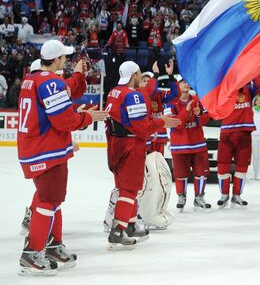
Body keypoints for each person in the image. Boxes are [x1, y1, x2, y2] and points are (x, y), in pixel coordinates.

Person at [17, 40, 108, 276]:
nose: (66, 61)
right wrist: (88, 118)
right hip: (46, 151)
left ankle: (54, 245)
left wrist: (77, 82)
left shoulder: (32, 79)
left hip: (37, 148)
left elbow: (57, 103)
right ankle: (32, 253)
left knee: (52, 199)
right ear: (56, 60)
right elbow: (64, 120)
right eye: (64, 58)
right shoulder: (50, 82)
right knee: (48, 201)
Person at [105, 61, 180, 249]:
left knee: (125, 187)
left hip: (116, 144)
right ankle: (118, 230)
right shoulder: (133, 95)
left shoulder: (113, 92)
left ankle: (129, 224)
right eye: (139, 74)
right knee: (129, 189)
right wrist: (161, 122)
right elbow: (141, 127)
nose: (140, 78)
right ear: (134, 75)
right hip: (131, 145)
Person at [217, 77, 260, 208]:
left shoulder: (249, 90)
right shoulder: (224, 89)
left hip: (244, 132)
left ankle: (237, 195)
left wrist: (253, 74)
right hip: (227, 132)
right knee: (222, 165)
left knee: (242, 166)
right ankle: (224, 195)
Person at [167, 77, 212, 212]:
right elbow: (175, 123)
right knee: (180, 174)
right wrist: (187, 110)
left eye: (187, 81)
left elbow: (205, 119)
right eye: (183, 82)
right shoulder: (170, 102)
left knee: (201, 173)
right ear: (177, 85)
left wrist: (198, 115)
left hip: (198, 143)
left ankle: (199, 198)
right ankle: (181, 197)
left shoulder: (198, 99)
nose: (186, 84)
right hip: (179, 145)